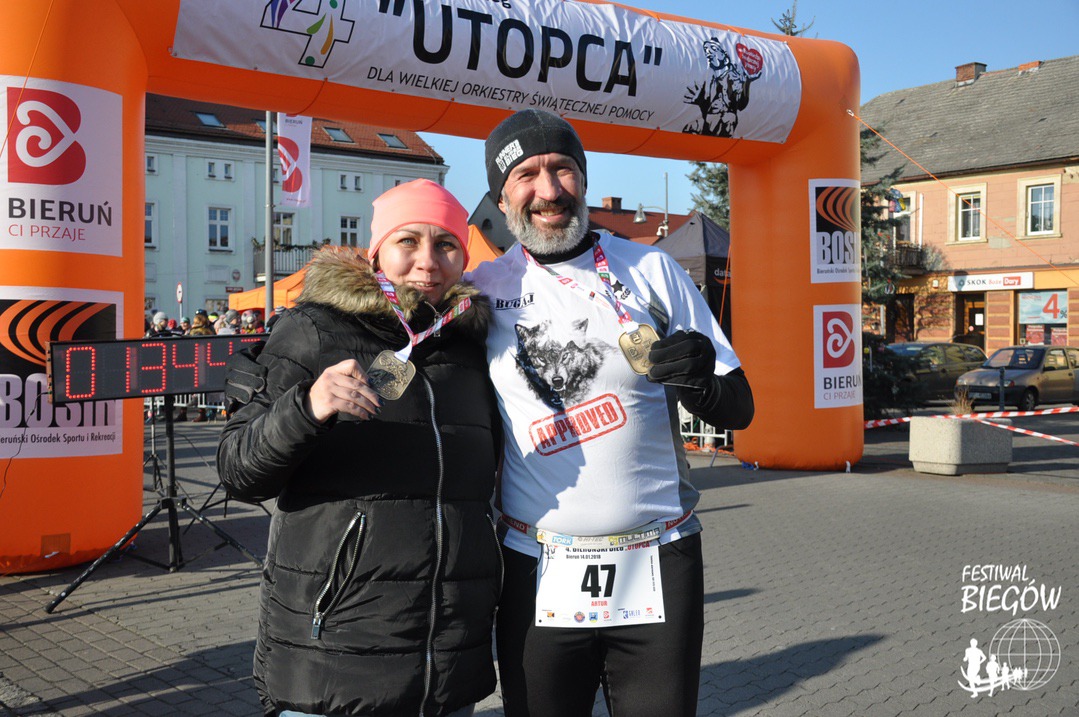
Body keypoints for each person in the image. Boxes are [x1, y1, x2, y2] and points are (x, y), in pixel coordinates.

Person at [469, 109, 754, 717]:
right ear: (501, 195)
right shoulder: (481, 290)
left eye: (563, 169)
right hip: (537, 562)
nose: (549, 191)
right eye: (526, 175)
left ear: (584, 177)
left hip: (659, 555)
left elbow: (739, 407)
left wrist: (700, 378)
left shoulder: (651, 269)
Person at [217, 178, 502, 717]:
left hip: (446, 662)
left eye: (446, 244)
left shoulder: (471, 345)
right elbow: (238, 471)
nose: (428, 261)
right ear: (376, 253)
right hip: (334, 656)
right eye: (407, 241)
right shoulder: (313, 329)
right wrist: (306, 408)